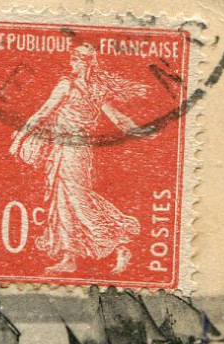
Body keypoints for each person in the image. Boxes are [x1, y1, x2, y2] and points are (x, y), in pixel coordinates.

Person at [10, 42, 146, 275]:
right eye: (72, 59)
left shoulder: (68, 86)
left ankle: (118, 244)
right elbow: (119, 118)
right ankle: (69, 256)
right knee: (63, 200)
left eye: (75, 60)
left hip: (71, 150)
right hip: (73, 150)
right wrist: (137, 129)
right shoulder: (95, 90)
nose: (71, 64)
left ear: (84, 64)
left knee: (76, 200)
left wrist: (18, 139)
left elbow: (42, 113)